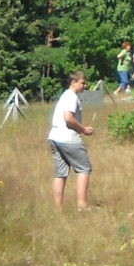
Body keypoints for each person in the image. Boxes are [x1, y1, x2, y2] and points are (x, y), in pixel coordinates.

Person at [48, 70, 95, 210]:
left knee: (60, 173)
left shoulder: (65, 96)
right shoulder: (71, 96)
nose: (84, 86)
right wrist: (84, 129)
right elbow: (68, 118)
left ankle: (58, 208)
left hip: (55, 137)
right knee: (84, 168)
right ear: (74, 83)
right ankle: (82, 204)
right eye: (82, 83)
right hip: (68, 137)